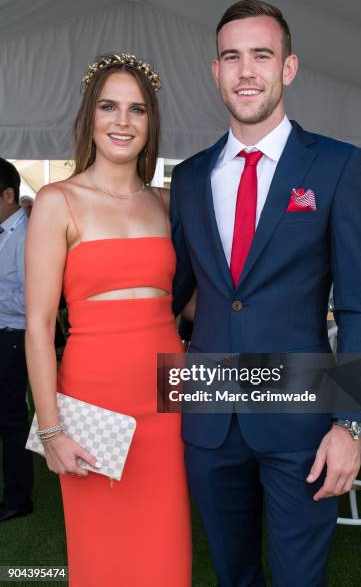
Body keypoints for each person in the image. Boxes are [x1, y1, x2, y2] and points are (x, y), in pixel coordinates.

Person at [170, 0, 361, 587]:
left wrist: (351, 426)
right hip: (207, 410)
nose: (246, 71)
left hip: (302, 415)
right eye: (232, 57)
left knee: (297, 578)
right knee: (233, 574)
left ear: (288, 68)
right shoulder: (188, 177)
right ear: (214, 71)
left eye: (262, 55)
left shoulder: (338, 166)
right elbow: (173, 295)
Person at [25, 54, 191, 586]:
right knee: (101, 561)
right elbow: (38, 324)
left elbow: (192, 304)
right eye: (109, 106)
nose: (123, 121)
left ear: (152, 123)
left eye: (137, 109)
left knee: (166, 558)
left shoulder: (169, 204)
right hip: (93, 410)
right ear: (89, 118)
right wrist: (51, 430)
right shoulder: (58, 201)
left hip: (169, 405)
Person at [0, 158, 34, 523]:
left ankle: (18, 497)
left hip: (13, 337)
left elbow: (35, 300)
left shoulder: (28, 235)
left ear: (8, 194)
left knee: (11, 419)